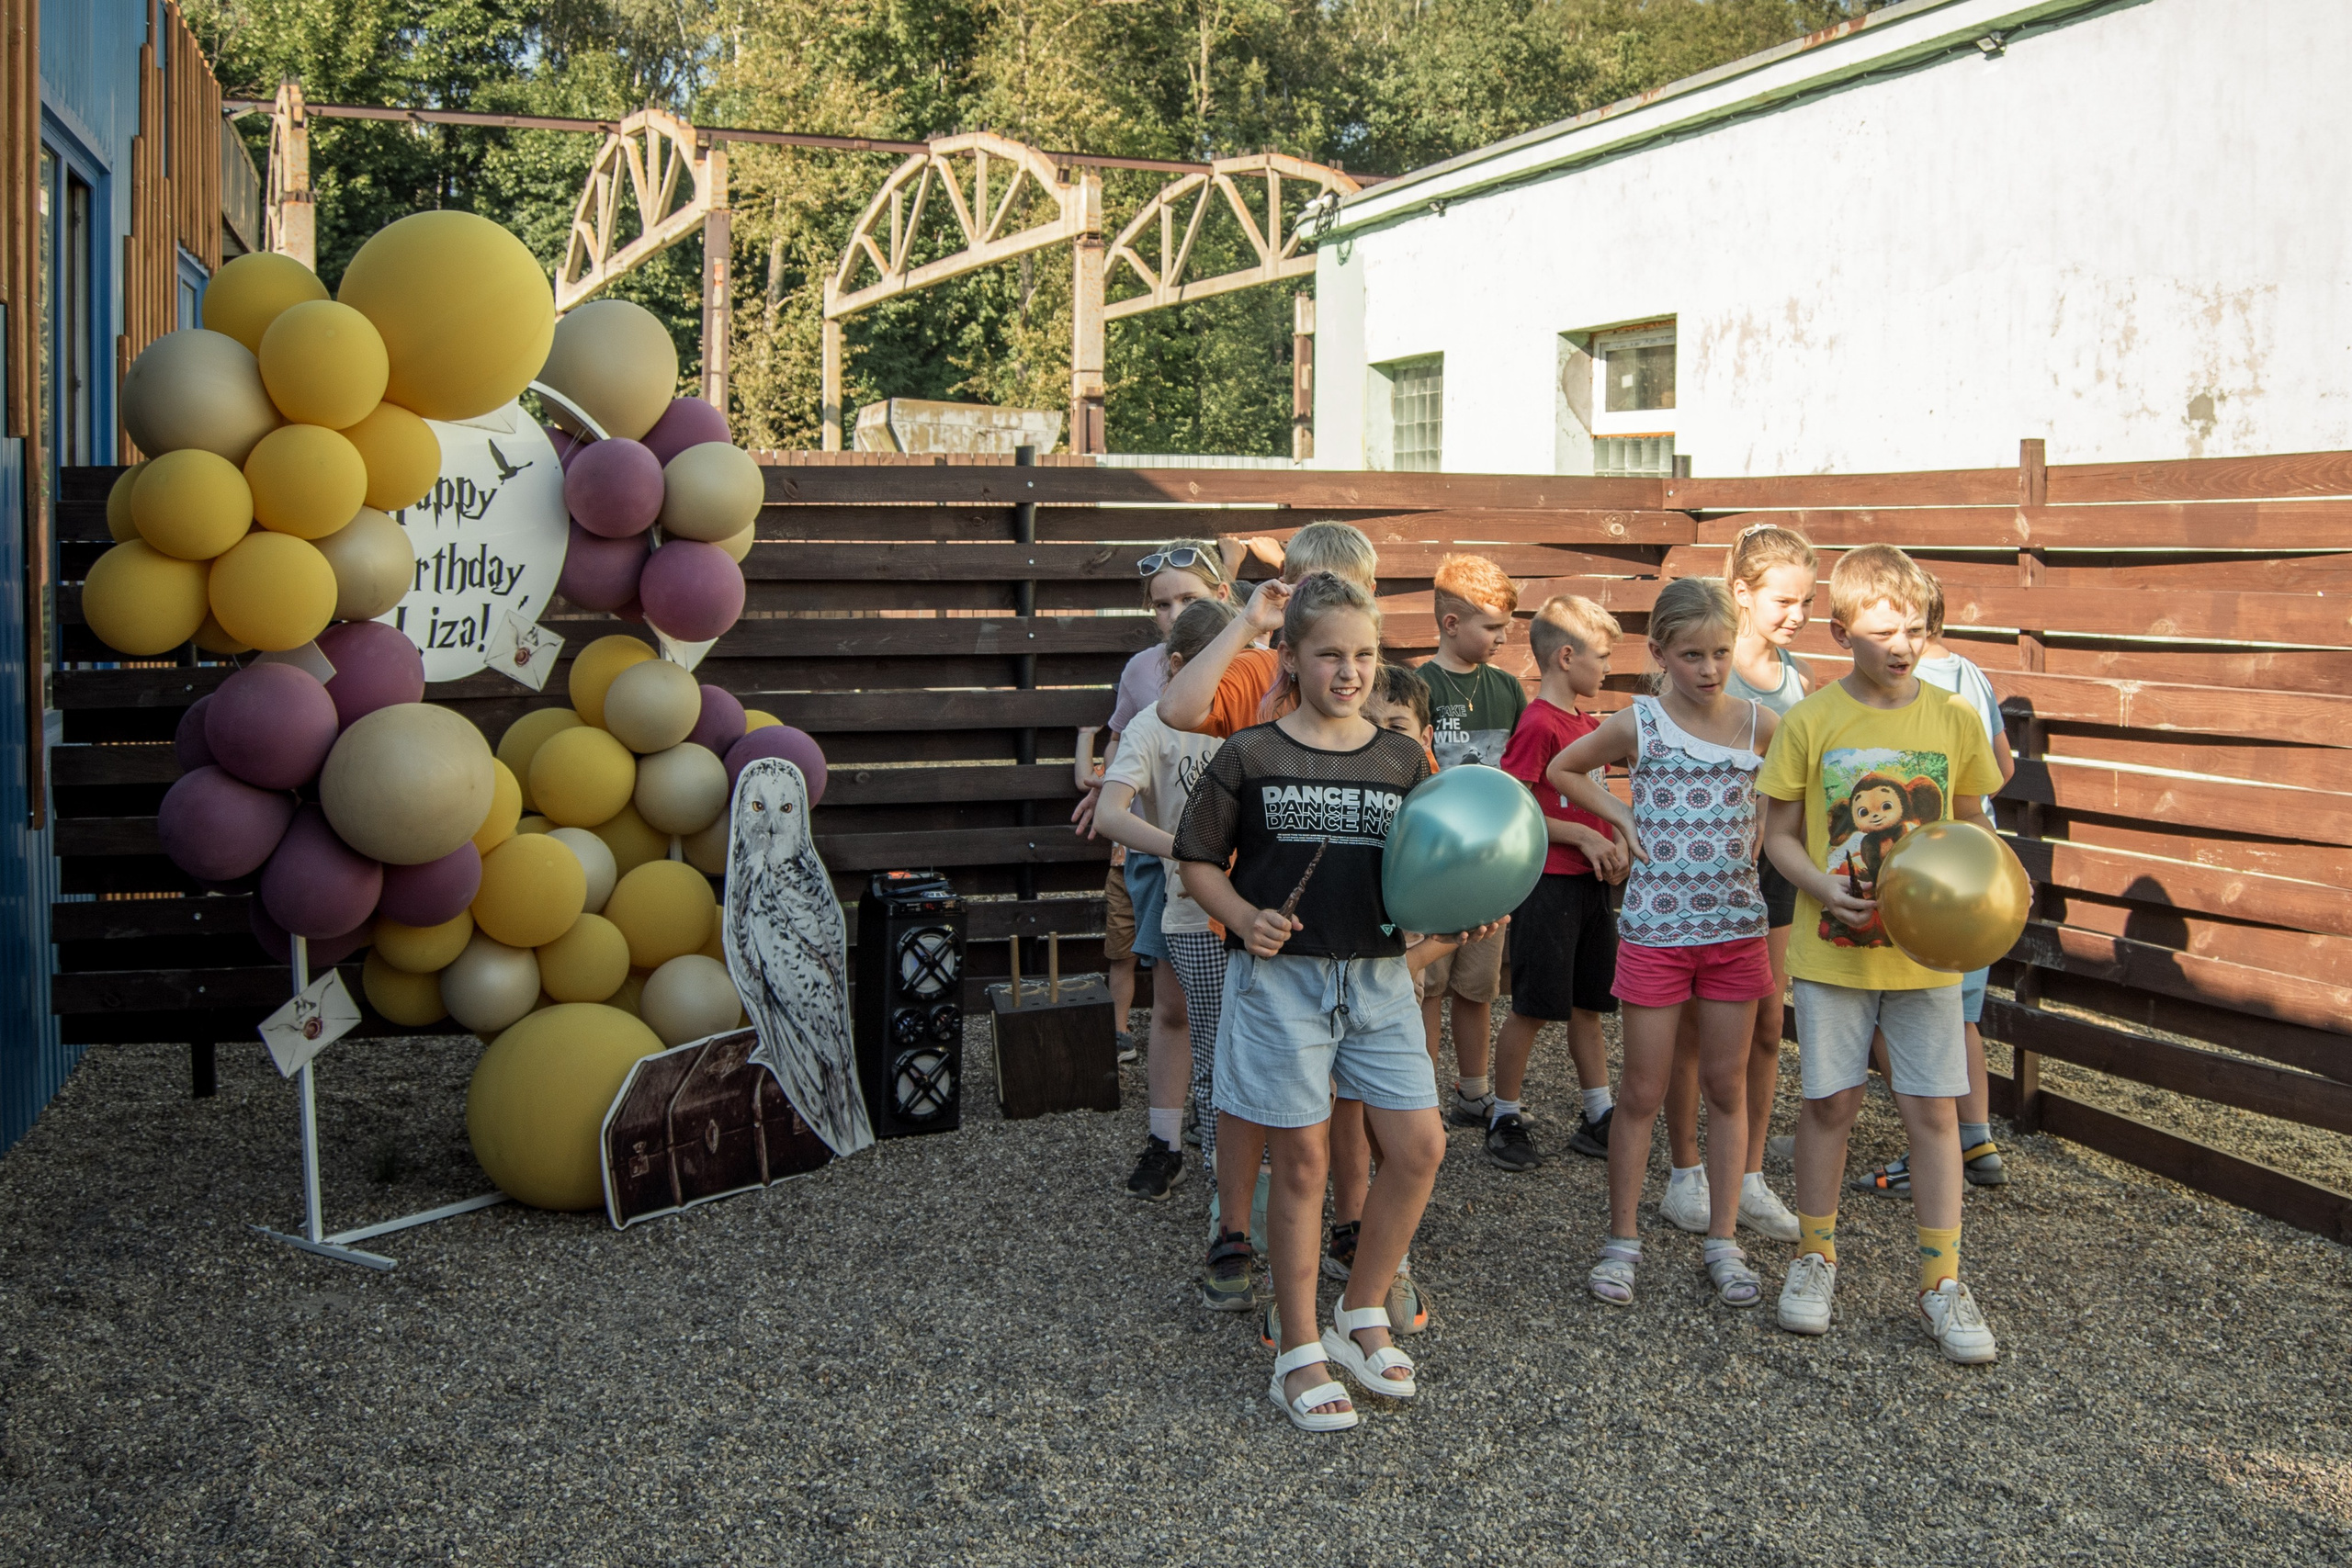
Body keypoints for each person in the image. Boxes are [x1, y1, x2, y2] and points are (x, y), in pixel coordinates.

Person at [1172, 573, 1468, 1434]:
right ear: (1293, 658)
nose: (1349, 671)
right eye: (1330, 654)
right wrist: (1242, 917)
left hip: (1378, 978)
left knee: (1420, 1145)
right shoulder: (1249, 754)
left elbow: (1427, 864)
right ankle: (1298, 1349)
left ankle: (1361, 1307)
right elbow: (1196, 860)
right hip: (1282, 982)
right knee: (1301, 1162)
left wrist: (1463, 902)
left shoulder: (1402, 759)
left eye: (1364, 655)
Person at [1757, 544, 2007, 1363]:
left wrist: (1991, 891)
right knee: (1830, 1103)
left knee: (1934, 1111)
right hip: (1833, 955)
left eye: (1917, 629)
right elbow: (1778, 835)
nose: (1903, 645)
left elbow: (1970, 824)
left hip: (1926, 961)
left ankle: (1942, 1281)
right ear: (1841, 633)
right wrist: (1822, 889)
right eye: (1884, 631)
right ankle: (1814, 1258)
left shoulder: (1955, 718)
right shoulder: (1812, 720)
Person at [1548, 578, 1781, 1309]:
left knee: (1727, 1086)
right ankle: (1621, 1241)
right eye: (1691, 655)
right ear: (1658, 653)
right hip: (1654, 933)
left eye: (1721, 652)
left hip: (1736, 930)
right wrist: (1620, 813)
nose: (1709, 668)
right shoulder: (1639, 722)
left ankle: (1724, 1239)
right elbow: (1560, 768)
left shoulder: (1761, 724)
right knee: (1642, 1090)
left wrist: (1767, 823)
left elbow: (1797, 791)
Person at [1658, 525, 1819, 1240]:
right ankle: (1686, 1171)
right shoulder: (1705, 667)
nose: (1798, 615)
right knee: (1693, 1025)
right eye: (1785, 600)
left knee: (1767, 1022)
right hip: (1704, 868)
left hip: (1773, 866)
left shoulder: (1798, 679)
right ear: (1743, 594)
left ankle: (1748, 1176)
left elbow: (1800, 774)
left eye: (1808, 602)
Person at [1854, 571, 2018, 1196]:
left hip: (1921, 878)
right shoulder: (1973, 675)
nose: (1899, 643)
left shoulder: (1903, 686)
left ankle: (1933, 1141)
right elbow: (2002, 768)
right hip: (1975, 878)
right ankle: (1974, 1137)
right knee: (1961, 1017)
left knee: (1896, 1013)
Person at [1092, 597, 1240, 1201]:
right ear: (1179, 666)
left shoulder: (1253, 713)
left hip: (1252, 910)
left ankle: (1241, 1170)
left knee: (1242, 1033)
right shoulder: (1153, 725)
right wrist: (1182, 850)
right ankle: (1170, 1144)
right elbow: (1110, 814)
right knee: (1179, 1015)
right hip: (1187, 906)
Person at [1073, 542, 1238, 1060]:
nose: (1174, 614)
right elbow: (1121, 738)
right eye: (1162, 604)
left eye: (1189, 600)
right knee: (1173, 1000)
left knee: (1232, 996)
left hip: (1232, 856)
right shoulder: (1142, 669)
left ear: (1222, 594)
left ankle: (1221, 1089)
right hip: (1154, 848)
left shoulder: (1253, 659)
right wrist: (1110, 784)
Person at [1486, 594, 1629, 1171]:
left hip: (1591, 885)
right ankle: (1502, 1116)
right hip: (1549, 884)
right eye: (1603, 656)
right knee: (1533, 1007)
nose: (1608, 668)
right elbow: (1514, 809)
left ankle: (1598, 1114)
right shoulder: (1539, 722)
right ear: (1567, 657)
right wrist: (1583, 837)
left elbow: (1600, 802)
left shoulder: (1591, 726)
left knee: (1589, 1004)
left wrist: (1616, 843)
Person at [1413, 555, 1531, 1127]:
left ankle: (1474, 1091)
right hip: (1433, 863)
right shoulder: (1417, 686)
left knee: (1478, 986)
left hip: (1492, 864)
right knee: (1429, 984)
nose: (1503, 638)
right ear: (1452, 622)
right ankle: (1422, 1097)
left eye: (1506, 626)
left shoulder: (1507, 687)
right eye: (1492, 627)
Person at [1155, 520, 1381, 739]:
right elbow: (1174, 711)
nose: (1331, 612)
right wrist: (1248, 623)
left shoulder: (1373, 681)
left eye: (1348, 596)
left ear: (1369, 594)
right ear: (1285, 584)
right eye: (1312, 594)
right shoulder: (1258, 672)